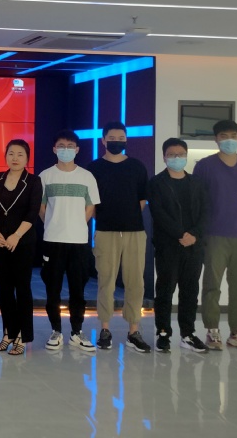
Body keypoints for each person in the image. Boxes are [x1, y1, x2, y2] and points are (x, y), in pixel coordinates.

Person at [87, 121, 151, 353]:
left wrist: (127, 217)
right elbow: (91, 203)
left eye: (121, 138)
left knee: (136, 282)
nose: (116, 141)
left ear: (126, 140)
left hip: (135, 231)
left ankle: (133, 331)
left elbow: (142, 200)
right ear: (103, 140)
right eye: (112, 138)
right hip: (105, 231)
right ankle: (105, 329)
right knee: (106, 281)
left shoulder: (137, 166)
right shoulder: (93, 168)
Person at [39, 129, 100, 352]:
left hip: (79, 242)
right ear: (54, 149)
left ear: (77, 149)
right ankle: (56, 331)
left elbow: (90, 207)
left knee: (78, 289)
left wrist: (76, 225)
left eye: (70, 146)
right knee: (52, 289)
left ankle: (76, 331)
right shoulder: (45, 176)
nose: (66, 150)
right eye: (61, 146)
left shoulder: (87, 176)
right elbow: (41, 208)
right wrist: (54, 224)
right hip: (52, 240)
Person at [148, 138, 209, 353]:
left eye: (180, 154)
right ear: (164, 157)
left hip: (194, 246)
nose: (176, 158)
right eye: (171, 154)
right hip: (168, 245)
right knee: (165, 290)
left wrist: (194, 235)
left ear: (186, 155)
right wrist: (180, 234)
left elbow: (205, 212)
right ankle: (163, 332)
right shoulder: (156, 183)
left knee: (190, 290)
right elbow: (158, 213)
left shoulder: (197, 182)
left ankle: (188, 333)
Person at [193, 119, 237, 350]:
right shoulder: (205, 166)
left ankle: (236, 331)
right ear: (216, 139)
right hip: (214, 234)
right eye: (224, 136)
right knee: (212, 285)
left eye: (233, 135)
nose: (229, 140)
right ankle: (212, 330)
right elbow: (196, 201)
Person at [0, 139, 43, 356]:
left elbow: (32, 213)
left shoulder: (34, 181)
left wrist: (16, 236)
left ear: (27, 158)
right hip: (0, 241)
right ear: (5, 156)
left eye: (20, 154)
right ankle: (8, 333)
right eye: (11, 153)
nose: (15, 158)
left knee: (22, 288)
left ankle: (22, 334)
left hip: (23, 242)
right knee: (4, 290)